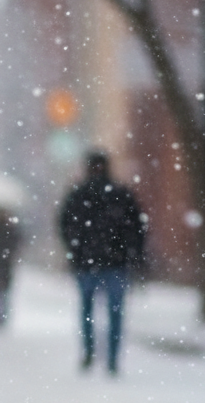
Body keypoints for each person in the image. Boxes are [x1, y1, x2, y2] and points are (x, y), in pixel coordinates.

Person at [59, 150, 146, 374]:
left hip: (91, 263)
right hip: (112, 263)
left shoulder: (79, 194)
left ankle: (93, 353)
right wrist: (130, 252)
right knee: (112, 312)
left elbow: (64, 224)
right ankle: (111, 357)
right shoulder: (120, 194)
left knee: (89, 310)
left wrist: (76, 248)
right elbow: (136, 227)